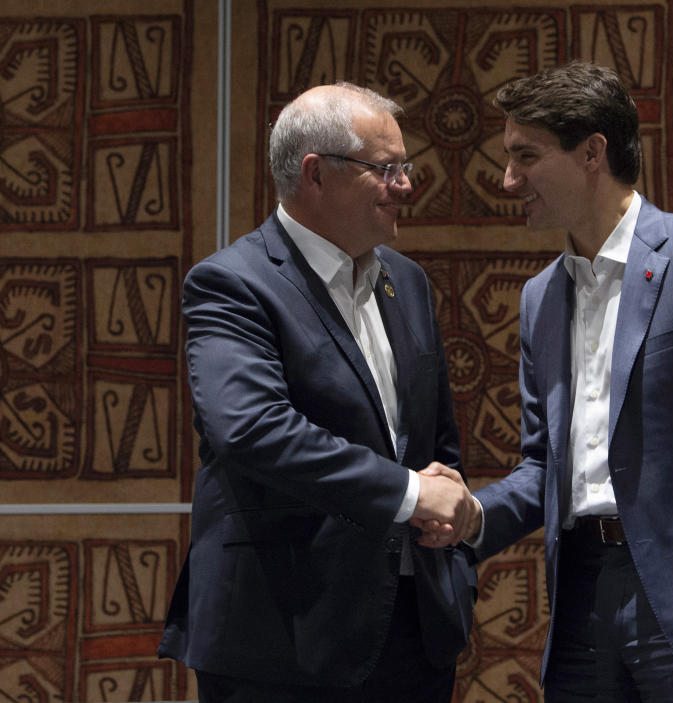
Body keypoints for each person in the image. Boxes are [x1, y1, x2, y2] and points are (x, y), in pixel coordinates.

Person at [420, 61, 673, 701]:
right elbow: (541, 464)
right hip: (580, 591)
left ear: (592, 152)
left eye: (526, 157)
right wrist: (472, 515)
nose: (508, 179)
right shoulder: (538, 298)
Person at [158, 82, 477, 703]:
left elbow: (435, 438)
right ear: (315, 174)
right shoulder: (232, 283)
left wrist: (450, 514)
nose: (407, 186)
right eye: (386, 169)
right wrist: (413, 494)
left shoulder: (406, 281)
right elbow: (252, 429)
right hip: (283, 638)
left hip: (414, 630)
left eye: (405, 168)